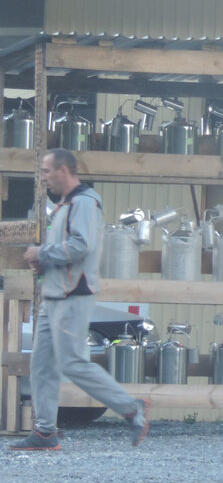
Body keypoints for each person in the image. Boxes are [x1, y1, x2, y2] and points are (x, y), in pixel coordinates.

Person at [9, 149, 150, 451]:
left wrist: (43, 253)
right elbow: (67, 250)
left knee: (72, 362)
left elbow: (80, 246)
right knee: (42, 365)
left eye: (47, 171)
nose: (43, 178)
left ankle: (131, 408)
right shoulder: (65, 205)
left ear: (64, 170)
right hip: (54, 295)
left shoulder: (85, 202)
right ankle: (45, 432)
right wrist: (43, 263)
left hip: (72, 295)